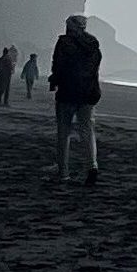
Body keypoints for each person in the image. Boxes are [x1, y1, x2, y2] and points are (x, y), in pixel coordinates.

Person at [49, 14, 102, 185]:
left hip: (68, 92)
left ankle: (63, 172)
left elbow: (57, 65)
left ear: (70, 27)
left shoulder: (64, 43)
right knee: (87, 130)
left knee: (64, 133)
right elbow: (94, 69)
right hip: (88, 93)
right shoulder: (93, 44)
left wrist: (54, 82)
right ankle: (92, 165)